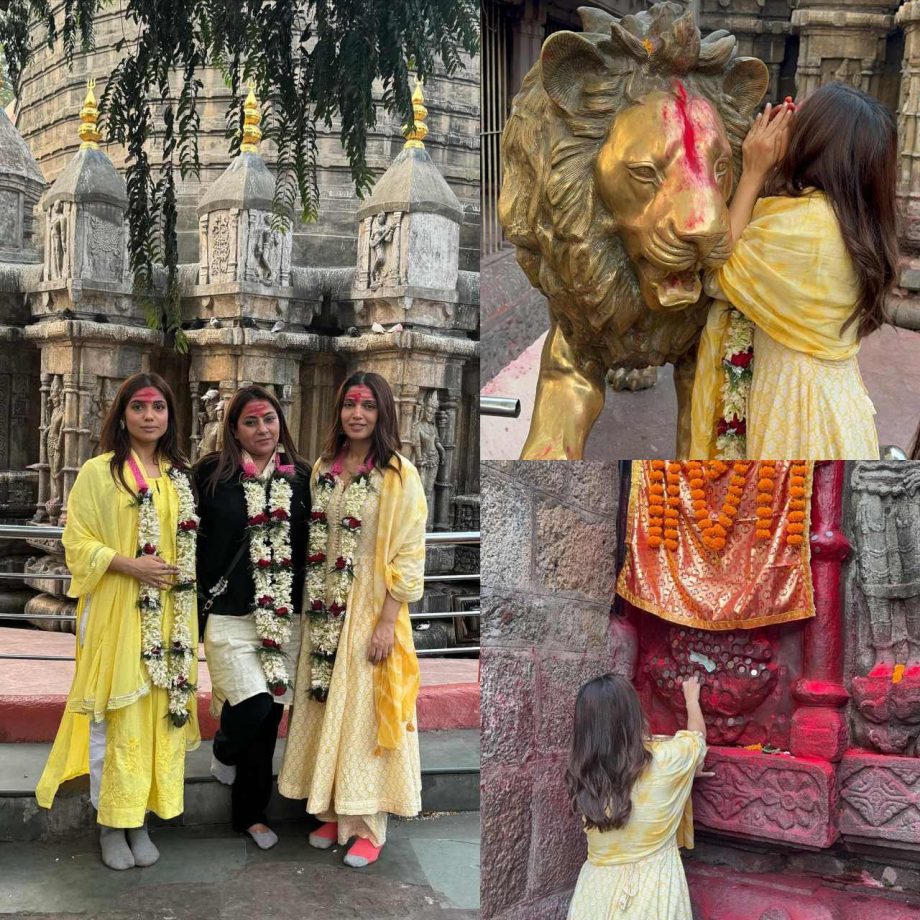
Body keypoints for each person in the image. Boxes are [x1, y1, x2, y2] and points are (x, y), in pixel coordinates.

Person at [35, 373, 200, 870]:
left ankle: (141, 819)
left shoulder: (178, 476)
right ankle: (111, 822)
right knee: (115, 715)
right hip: (114, 611)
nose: (150, 416)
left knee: (155, 716)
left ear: (171, 416)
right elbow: (76, 541)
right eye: (139, 407)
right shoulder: (99, 472)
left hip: (170, 615)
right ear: (122, 415)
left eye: (159, 408)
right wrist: (130, 564)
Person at [690, 82, 898, 460]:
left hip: (796, 415)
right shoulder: (856, 221)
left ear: (815, 142)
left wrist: (753, 171)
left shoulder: (804, 225)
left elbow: (717, 270)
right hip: (840, 411)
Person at [278, 371, 428, 868]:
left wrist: (387, 620)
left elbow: (408, 553)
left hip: (370, 609)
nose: (357, 414)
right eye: (349, 405)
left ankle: (368, 824)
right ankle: (332, 810)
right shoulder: (325, 467)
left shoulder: (399, 475)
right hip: (324, 609)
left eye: (367, 406)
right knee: (324, 709)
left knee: (364, 715)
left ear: (383, 413)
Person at [194, 385, 310, 849]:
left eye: (269, 419)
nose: (263, 429)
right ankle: (223, 746)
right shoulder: (210, 475)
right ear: (233, 429)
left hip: (285, 615)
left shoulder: (301, 477)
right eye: (251, 422)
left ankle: (251, 815)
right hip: (228, 614)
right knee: (251, 705)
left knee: (269, 719)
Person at [566, 673, 709, 920]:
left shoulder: (586, 774)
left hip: (593, 897)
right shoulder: (668, 759)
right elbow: (697, 742)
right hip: (653, 893)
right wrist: (691, 700)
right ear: (634, 715)